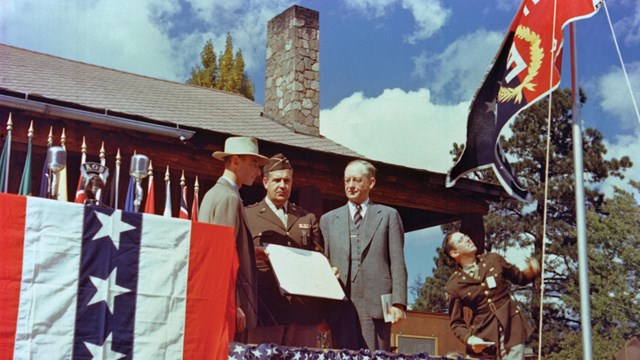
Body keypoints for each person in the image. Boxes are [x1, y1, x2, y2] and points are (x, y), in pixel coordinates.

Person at [320, 159, 407, 351]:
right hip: (339, 305)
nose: (350, 186)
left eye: (357, 180)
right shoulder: (327, 220)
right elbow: (323, 262)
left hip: (377, 304)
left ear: (371, 183)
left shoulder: (388, 215)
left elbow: (398, 262)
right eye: (347, 180)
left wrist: (398, 303)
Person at [244, 153, 325, 347]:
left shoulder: (307, 218)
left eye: (287, 181)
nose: (282, 185)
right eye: (277, 180)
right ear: (265, 182)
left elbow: (319, 260)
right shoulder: (248, 215)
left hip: (303, 312)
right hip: (265, 309)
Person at [198, 136, 270, 342]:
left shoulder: (215, 194)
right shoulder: (228, 197)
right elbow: (220, 257)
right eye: (254, 165)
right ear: (236, 161)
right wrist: (234, 304)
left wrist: (248, 250)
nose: (258, 172)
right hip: (227, 304)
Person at [442, 231, 540, 359]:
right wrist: (469, 339)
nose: (467, 239)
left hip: (512, 327)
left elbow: (519, 278)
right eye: (461, 240)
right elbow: (456, 323)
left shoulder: (494, 260)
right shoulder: (453, 286)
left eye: (466, 236)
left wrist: (531, 272)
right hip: (484, 336)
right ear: (454, 253)